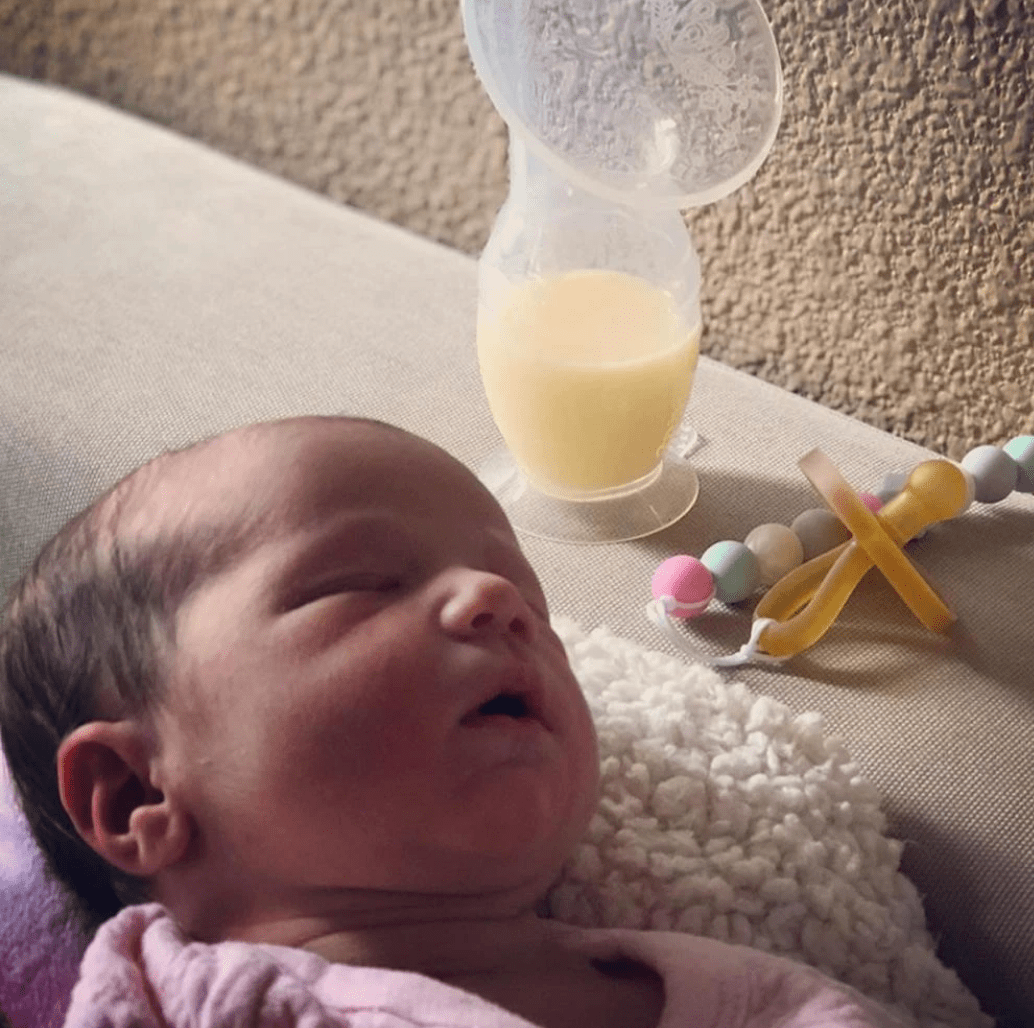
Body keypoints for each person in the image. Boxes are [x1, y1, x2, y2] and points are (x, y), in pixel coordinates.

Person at [0, 416, 905, 1028]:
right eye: (359, 582)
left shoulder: (761, 1000)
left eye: (531, 601)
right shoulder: (178, 1003)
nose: (494, 598)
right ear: (134, 793)